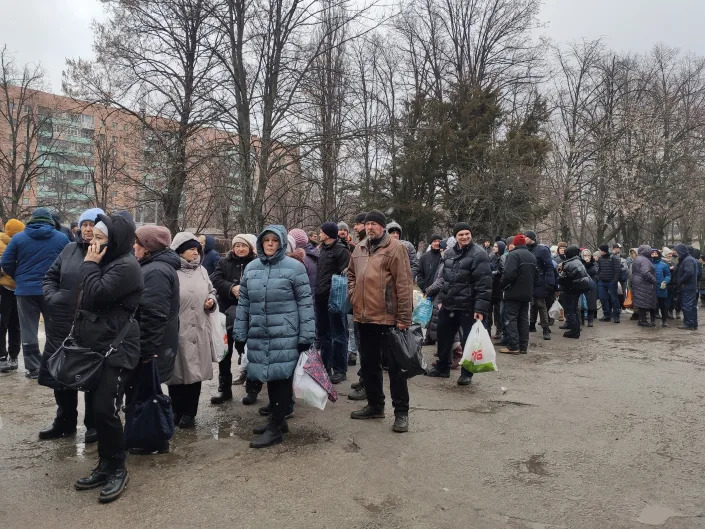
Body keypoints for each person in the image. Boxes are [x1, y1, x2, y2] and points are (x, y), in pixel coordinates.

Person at [72, 212, 143, 503]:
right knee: (97, 407)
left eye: (100, 239)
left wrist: (89, 265)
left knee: (105, 409)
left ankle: (118, 468)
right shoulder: (109, 261)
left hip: (117, 348)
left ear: (115, 241)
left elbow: (98, 293)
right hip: (98, 346)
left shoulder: (126, 266)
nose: (93, 244)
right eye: (93, 238)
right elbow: (87, 296)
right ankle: (105, 464)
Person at [235, 225, 315, 448]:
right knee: (268, 374)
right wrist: (239, 334)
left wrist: (306, 335)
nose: (270, 244)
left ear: (281, 243)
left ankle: (275, 427)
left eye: (274, 240)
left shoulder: (294, 268)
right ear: (260, 243)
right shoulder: (251, 268)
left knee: (280, 377)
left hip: (286, 332)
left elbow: (305, 303)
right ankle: (278, 421)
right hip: (260, 331)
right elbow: (244, 303)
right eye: (266, 240)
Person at [37, 208, 104, 442]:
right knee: (62, 378)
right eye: (84, 224)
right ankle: (64, 422)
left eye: (93, 224)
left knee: (92, 378)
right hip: (62, 326)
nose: (87, 229)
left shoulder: (108, 254)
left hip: (92, 327)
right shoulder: (68, 249)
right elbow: (49, 277)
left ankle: (94, 425)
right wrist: (54, 297)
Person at [348, 210, 413, 432]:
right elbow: (351, 275)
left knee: (395, 369)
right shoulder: (359, 248)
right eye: (367, 224)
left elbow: (404, 284)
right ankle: (375, 406)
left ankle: (401, 413)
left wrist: (404, 317)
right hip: (363, 317)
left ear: (383, 227)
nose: (370, 227)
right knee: (368, 365)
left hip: (388, 318)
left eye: (375, 224)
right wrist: (353, 294)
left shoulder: (396, 248)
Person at [126, 225, 180, 455]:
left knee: (148, 396)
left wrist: (146, 351)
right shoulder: (154, 267)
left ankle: (152, 439)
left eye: (137, 243)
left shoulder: (156, 271)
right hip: (155, 344)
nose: (134, 247)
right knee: (148, 394)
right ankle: (150, 437)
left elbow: (154, 315)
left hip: (152, 346)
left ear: (148, 248)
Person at [0, 207, 69, 378]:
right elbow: (69, 262)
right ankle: (53, 364)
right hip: (51, 289)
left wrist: (19, 276)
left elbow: (6, 261)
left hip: (25, 290)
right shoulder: (62, 239)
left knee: (28, 328)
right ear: (50, 221)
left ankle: (33, 367)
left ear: (31, 220)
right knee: (53, 328)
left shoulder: (18, 238)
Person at [426, 222, 492, 386]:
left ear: (471, 235)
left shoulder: (479, 254)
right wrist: (441, 300)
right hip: (449, 304)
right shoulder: (448, 253)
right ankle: (442, 368)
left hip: (469, 306)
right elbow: (445, 280)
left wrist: (480, 308)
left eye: (467, 234)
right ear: (455, 236)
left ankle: (466, 373)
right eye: (460, 234)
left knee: (469, 341)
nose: (464, 237)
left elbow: (484, 284)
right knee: (443, 336)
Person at [168, 232, 218, 428]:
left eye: (197, 249)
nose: (195, 253)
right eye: (191, 249)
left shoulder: (202, 271)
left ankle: (190, 412)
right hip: (178, 329)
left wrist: (211, 301)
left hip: (198, 328)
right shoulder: (171, 271)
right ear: (180, 251)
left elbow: (211, 290)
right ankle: (176, 410)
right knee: (176, 373)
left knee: (195, 373)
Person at [209, 233, 258, 404]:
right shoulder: (224, 262)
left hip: (250, 313)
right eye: (237, 245)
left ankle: (252, 389)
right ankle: (225, 389)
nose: (240, 249)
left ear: (250, 248)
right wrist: (232, 288)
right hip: (226, 314)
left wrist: (245, 291)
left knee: (250, 351)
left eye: (244, 246)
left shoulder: (257, 263)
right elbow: (215, 279)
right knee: (225, 352)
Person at [316, 221, 351, 383]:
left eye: (321, 231)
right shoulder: (322, 249)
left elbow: (346, 276)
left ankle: (340, 370)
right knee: (324, 335)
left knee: (338, 335)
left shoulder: (341, 251)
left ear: (328, 234)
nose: (319, 233)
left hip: (335, 299)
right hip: (321, 298)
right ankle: (325, 365)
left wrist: (336, 293)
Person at [498, 234, 536, 354]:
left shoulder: (513, 255)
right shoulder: (531, 256)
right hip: (527, 293)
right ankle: (523, 346)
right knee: (524, 319)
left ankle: (513, 346)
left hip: (513, 293)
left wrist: (502, 286)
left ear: (514, 244)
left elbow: (508, 275)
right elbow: (537, 275)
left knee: (511, 318)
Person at [0, 219, 24, 373]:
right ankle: (12, 356)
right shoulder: (21, 243)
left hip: (4, 288)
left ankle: (3, 356)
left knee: (3, 323)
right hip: (18, 288)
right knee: (15, 324)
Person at [524, 230, 555, 340]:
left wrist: (550, 282)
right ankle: (532, 325)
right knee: (533, 304)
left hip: (541, 281)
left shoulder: (542, 250)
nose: (524, 238)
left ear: (531, 238)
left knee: (541, 305)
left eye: (526, 237)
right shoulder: (526, 249)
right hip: (530, 281)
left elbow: (549, 267)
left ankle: (545, 329)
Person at [557, 246, 590, 339]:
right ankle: (575, 328)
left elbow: (563, 278)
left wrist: (558, 273)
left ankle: (574, 331)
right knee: (574, 309)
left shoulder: (569, 264)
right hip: (577, 289)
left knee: (570, 310)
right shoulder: (578, 261)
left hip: (570, 289)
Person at [631, 245, 658, 327]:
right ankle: (643, 321)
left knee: (641, 301)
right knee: (644, 301)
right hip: (644, 283)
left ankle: (642, 320)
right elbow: (645, 272)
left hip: (637, 281)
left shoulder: (637, 259)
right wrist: (653, 280)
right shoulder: (645, 260)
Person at [674, 244, 698, 330]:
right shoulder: (689, 259)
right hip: (691, 286)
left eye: (677, 251)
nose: (676, 253)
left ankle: (688, 323)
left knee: (687, 305)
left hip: (687, 286)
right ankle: (693, 323)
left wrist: (680, 281)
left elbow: (689, 273)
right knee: (692, 306)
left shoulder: (687, 260)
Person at [597, 244, 621, 323]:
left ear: (603, 250)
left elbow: (617, 270)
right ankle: (606, 315)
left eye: (600, 250)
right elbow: (599, 269)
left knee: (614, 299)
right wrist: (599, 277)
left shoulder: (613, 258)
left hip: (611, 281)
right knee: (603, 298)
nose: (599, 251)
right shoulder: (600, 259)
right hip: (602, 281)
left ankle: (616, 316)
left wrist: (614, 280)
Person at [489, 240, 506, 339]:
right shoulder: (491, 257)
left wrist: (496, 273)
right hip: (491, 287)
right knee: (488, 312)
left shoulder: (503, 258)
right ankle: (488, 330)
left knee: (498, 312)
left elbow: (503, 271)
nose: (494, 248)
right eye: (494, 246)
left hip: (499, 288)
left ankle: (499, 331)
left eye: (496, 246)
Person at [651, 249, 671, 327]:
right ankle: (653, 320)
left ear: (659, 255)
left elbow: (668, 275)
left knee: (663, 305)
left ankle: (664, 320)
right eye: (652, 253)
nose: (654, 255)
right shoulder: (648, 264)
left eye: (656, 253)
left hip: (661, 287)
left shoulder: (664, 265)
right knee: (652, 305)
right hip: (651, 287)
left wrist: (665, 281)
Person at [580, 249, 599, 327]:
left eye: (588, 255)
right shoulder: (580, 263)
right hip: (582, 285)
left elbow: (594, 271)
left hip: (591, 285)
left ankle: (590, 320)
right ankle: (582, 320)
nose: (587, 257)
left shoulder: (593, 263)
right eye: (585, 255)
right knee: (581, 303)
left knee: (591, 303)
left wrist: (589, 264)